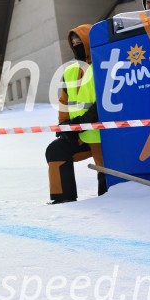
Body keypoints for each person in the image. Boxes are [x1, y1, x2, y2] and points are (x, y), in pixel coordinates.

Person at [45, 25, 106, 204]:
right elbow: (64, 102)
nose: (76, 45)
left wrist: (80, 122)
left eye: (80, 42)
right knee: (56, 150)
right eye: (73, 43)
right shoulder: (70, 71)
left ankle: (109, 201)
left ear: (88, 42)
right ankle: (62, 199)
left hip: (103, 135)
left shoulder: (103, 65)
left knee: (105, 173)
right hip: (80, 134)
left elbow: (105, 100)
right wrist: (64, 126)